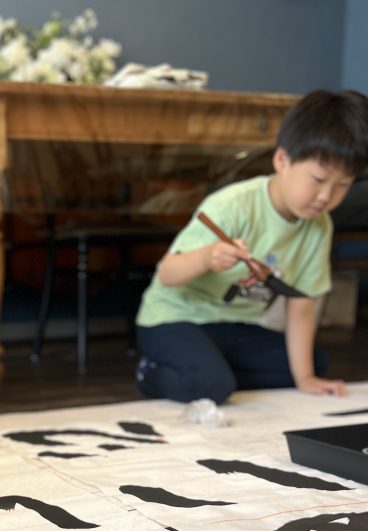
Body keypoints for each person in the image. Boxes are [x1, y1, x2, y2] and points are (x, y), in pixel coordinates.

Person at [135, 89, 368, 404]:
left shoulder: (319, 225)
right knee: (212, 386)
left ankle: (212, 370)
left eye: (342, 185)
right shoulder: (233, 205)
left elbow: (301, 303)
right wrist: (206, 257)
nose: (326, 196)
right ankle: (151, 372)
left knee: (314, 364)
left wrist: (305, 378)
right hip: (174, 318)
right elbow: (167, 274)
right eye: (317, 180)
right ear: (282, 160)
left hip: (232, 326)